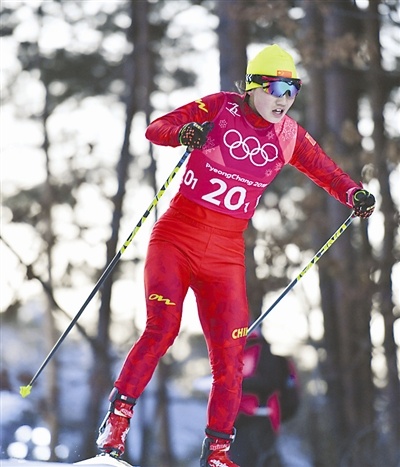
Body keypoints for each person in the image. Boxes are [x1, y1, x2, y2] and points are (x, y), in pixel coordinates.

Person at [96, 44, 375, 467]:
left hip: (225, 257)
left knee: (231, 358)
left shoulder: (288, 136)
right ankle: (116, 423)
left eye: (293, 89)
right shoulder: (220, 108)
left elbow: (327, 171)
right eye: (276, 87)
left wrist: (353, 192)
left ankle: (219, 454)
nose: (284, 98)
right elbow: (157, 128)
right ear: (251, 86)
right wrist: (184, 134)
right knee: (163, 328)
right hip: (176, 239)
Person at [229, 329, 299, 467]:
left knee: (256, 460)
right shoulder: (238, 355)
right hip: (241, 422)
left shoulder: (260, 352)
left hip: (258, 419)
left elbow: (269, 382)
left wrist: (237, 383)